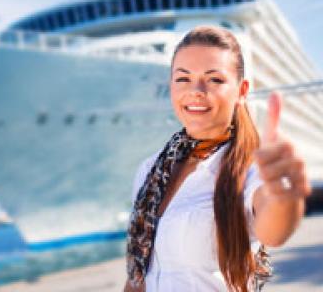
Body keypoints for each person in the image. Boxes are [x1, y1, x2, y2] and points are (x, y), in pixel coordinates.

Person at [123, 25, 311, 292]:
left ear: (242, 91)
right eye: (183, 78)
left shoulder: (250, 165)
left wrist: (284, 197)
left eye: (215, 79)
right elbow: (139, 275)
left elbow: (273, 231)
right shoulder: (149, 169)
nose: (196, 90)